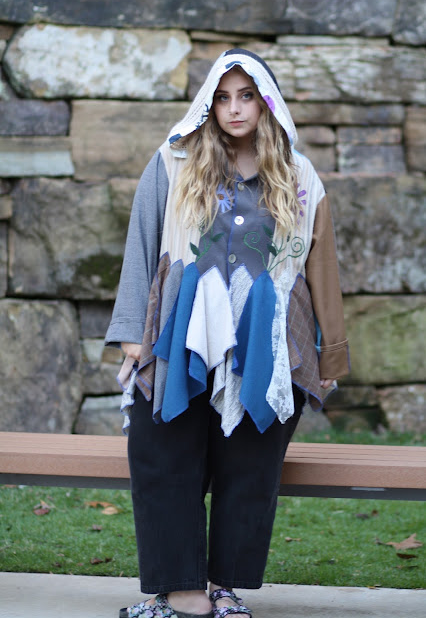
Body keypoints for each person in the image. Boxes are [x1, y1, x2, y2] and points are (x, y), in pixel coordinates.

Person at [105, 48, 350, 618]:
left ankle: (222, 587)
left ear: (267, 103)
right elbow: (141, 244)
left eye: (247, 96)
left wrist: (329, 359)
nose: (234, 108)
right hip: (179, 332)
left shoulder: (300, 175)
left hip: (271, 341)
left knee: (250, 461)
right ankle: (183, 593)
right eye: (222, 97)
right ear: (208, 104)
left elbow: (322, 268)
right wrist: (132, 334)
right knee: (162, 449)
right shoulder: (173, 161)